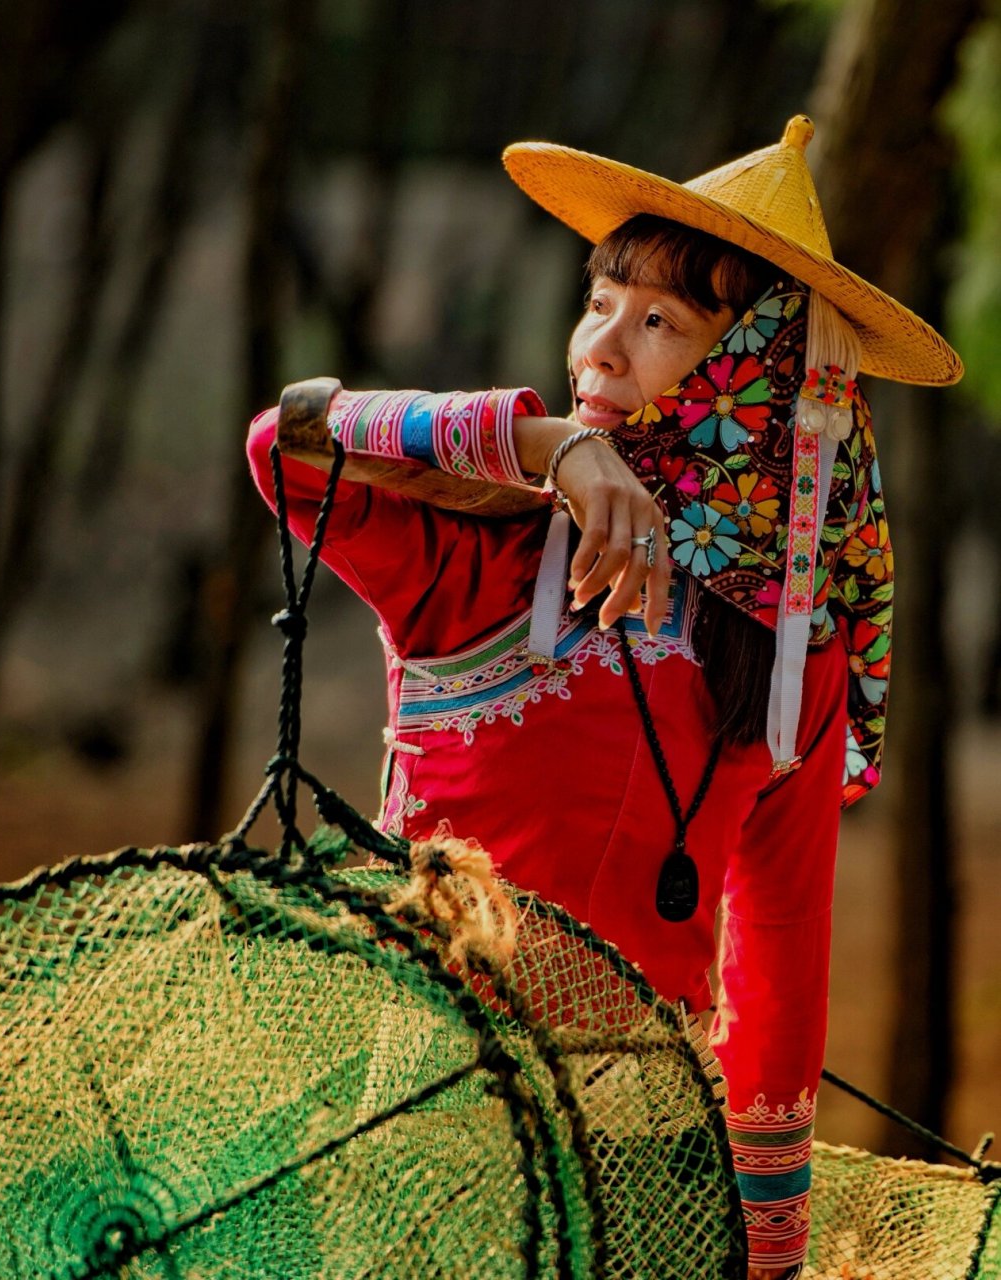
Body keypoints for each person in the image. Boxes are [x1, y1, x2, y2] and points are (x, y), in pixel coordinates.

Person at [246, 117, 962, 1277]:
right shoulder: (473, 550)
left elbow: (778, 954)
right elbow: (285, 447)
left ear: (761, 373)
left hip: (641, 1170)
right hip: (418, 1127)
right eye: (600, 300)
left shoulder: (791, 653)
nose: (601, 347)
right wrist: (542, 445)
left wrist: (768, 1250)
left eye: (658, 322)